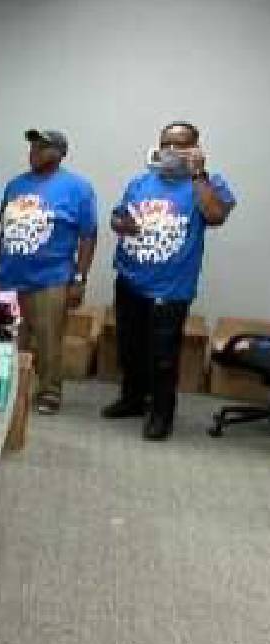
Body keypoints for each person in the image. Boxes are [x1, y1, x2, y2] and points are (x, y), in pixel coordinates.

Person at [103, 120, 235, 440]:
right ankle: (133, 399)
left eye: (180, 145)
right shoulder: (141, 182)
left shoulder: (209, 183)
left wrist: (198, 175)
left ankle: (161, 414)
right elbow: (117, 216)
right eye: (166, 144)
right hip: (131, 278)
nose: (171, 151)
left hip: (171, 287)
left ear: (195, 149)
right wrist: (121, 223)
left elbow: (216, 216)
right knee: (129, 347)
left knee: (163, 356)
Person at [0, 130, 98, 416]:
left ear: (60, 152)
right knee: (9, 338)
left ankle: (49, 391)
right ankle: (12, 388)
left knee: (49, 339)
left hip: (51, 277)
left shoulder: (78, 188)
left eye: (43, 146)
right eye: (33, 145)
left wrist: (79, 278)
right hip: (10, 275)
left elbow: (89, 236)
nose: (34, 150)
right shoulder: (15, 185)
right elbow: (6, 230)